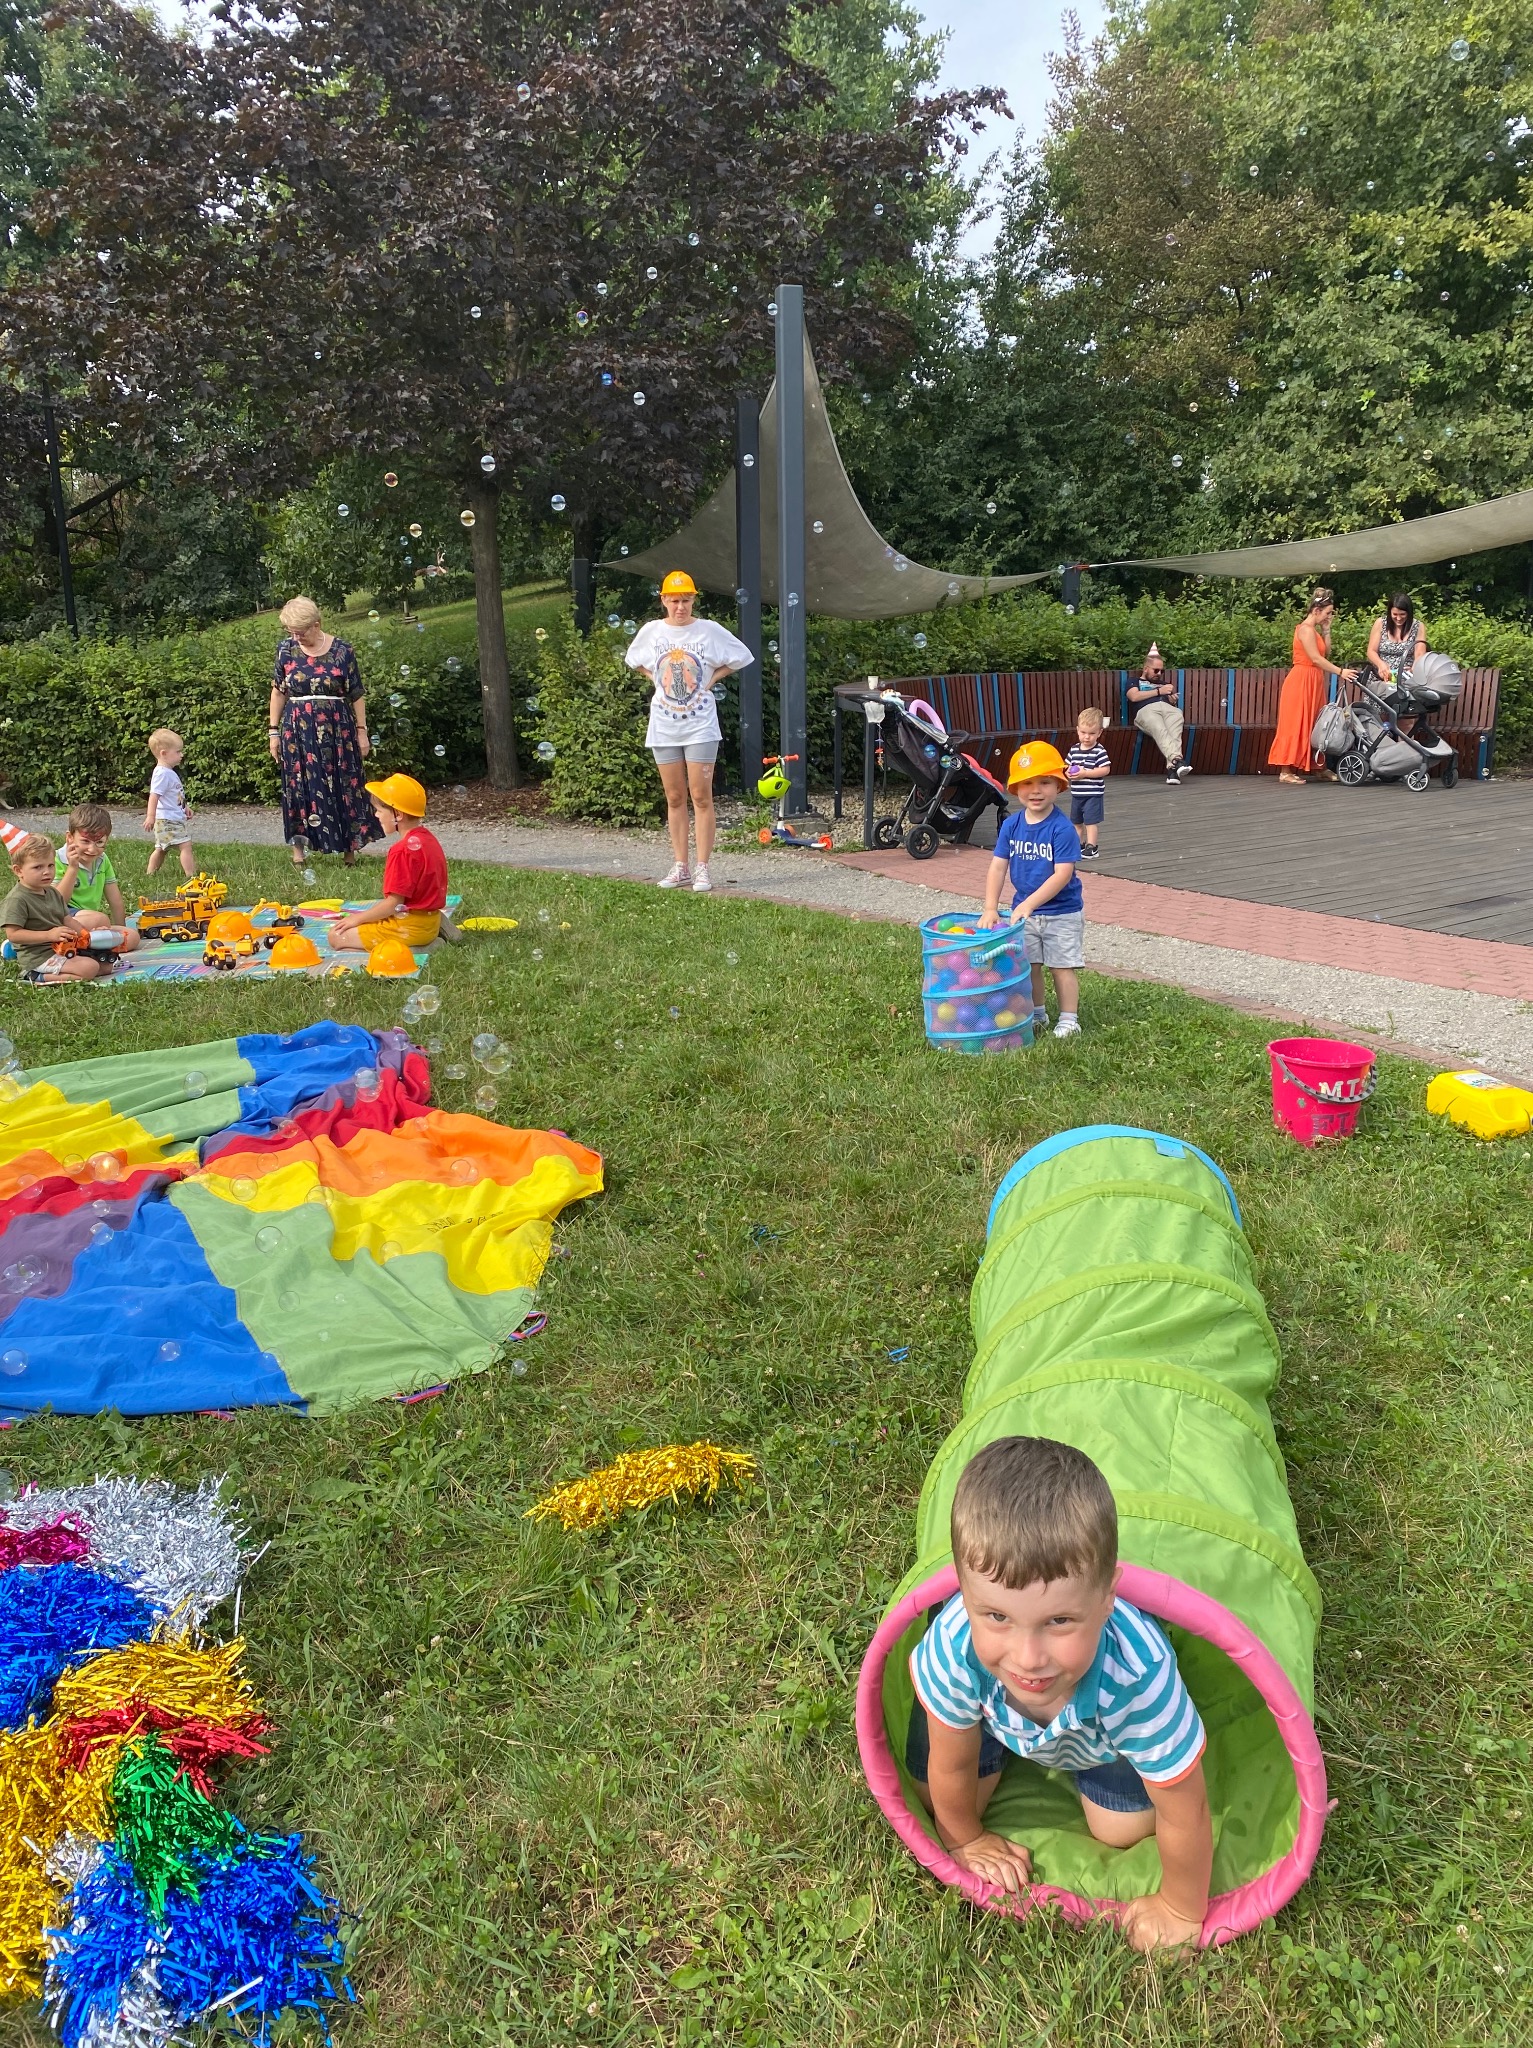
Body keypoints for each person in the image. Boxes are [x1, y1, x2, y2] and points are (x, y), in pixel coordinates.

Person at [905, 1435, 1212, 1952]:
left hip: (1099, 1737)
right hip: (988, 1713)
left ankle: (1062, 1750)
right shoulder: (956, 1642)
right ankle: (996, 1739)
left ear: (1108, 1597)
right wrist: (966, 1839)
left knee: (1123, 1830)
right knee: (935, 1798)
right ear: (961, 1590)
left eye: (1059, 1621)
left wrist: (1183, 1908)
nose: (1028, 1658)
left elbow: (1186, 1809)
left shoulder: (1137, 1674)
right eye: (997, 1616)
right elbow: (951, 1764)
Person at [624, 570, 753, 894]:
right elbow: (633, 659)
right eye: (674, 601)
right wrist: (655, 678)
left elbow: (742, 656)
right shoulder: (652, 631)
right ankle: (680, 865)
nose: (680, 607)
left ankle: (702, 868)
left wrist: (712, 679)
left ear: (693, 599)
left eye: (685, 600)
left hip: (700, 726)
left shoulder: (708, 630)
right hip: (664, 726)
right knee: (674, 796)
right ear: (664, 600)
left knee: (701, 796)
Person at [977, 742, 1084, 1039]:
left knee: (1061, 967)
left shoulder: (1062, 829)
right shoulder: (1011, 826)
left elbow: (1062, 874)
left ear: (1059, 786)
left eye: (1045, 782)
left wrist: (1030, 903)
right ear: (1015, 788)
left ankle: (1069, 1019)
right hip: (1025, 912)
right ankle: (1037, 1012)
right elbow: (998, 867)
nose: (1035, 790)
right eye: (1027, 783)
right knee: (1029, 966)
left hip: (1061, 913)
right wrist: (990, 906)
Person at [269, 595, 380, 870]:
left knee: (344, 783)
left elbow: (356, 693)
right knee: (298, 785)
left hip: (337, 728)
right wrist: (273, 732)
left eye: (300, 631)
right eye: (291, 632)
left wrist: (362, 731)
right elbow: (279, 691)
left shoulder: (342, 650)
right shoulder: (285, 650)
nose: (296, 637)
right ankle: (299, 852)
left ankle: (349, 851)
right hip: (297, 730)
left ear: (316, 624)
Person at [330, 774, 447, 953]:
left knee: (336, 936)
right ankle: (431, 939)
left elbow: (393, 904)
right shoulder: (428, 839)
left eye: (379, 810)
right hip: (431, 922)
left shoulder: (401, 851)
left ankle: (418, 949)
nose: (376, 815)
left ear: (398, 814)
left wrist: (357, 919)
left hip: (410, 929)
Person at [1269, 587, 1357, 785]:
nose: (1329, 616)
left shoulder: (1315, 631)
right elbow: (1316, 659)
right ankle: (1285, 770)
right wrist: (1340, 672)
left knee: (1316, 723)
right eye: (1327, 613)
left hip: (1314, 680)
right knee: (1296, 723)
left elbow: (1326, 652)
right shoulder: (1305, 630)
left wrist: (1326, 630)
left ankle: (1318, 767)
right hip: (1301, 680)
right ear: (1316, 610)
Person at [2, 833, 112, 979]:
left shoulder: (52, 892)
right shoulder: (17, 899)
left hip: (62, 947)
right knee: (89, 968)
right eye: (38, 867)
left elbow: (67, 919)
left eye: (50, 865)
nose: (46, 872)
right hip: (39, 956)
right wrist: (49, 935)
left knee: (106, 966)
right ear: (18, 871)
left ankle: (73, 970)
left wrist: (87, 936)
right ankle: (35, 976)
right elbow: (14, 935)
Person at [55, 803, 138, 952]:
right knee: (99, 919)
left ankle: (84, 948)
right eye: (85, 841)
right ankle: (54, 943)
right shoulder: (56, 860)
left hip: (89, 923)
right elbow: (57, 904)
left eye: (99, 842)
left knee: (131, 937)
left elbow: (115, 901)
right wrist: (72, 868)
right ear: (70, 838)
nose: (92, 849)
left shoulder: (102, 860)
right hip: (61, 919)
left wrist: (120, 931)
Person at [1124, 646, 1192, 784]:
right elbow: (1134, 697)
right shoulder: (1134, 681)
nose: (1159, 673)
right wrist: (1159, 692)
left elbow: (1171, 701)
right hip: (1146, 710)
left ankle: (1173, 771)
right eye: (1156, 670)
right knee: (1160, 728)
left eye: (1162, 671)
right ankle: (1176, 761)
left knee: (1175, 727)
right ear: (1146, 669)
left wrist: (1172, 700)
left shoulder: (1164, 684)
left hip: (1168, 710)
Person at [144, 729, 196, 877]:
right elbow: (154, 796)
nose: (182, 755)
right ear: (164, 753)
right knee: (185, 845)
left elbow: (175, 795)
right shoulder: (162, 773)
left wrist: (185, 807)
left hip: (169, 818)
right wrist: (150, 816)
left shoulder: (167, 772)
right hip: (168, 819)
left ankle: (150, 873)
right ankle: (191, 875)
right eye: (178, 752)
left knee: (161, 848)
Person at [1064, 708, 1111, 860]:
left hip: (1093, 794)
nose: (1086, 737)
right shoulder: (1074, 750)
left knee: (1091, 822)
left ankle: (1092, 847)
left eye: (1091, 733)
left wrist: (1085, 773)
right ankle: (1078, 844)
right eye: (1083, 732)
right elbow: (1067, 767)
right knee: (1076, 822)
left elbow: (1105, 769)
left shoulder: (1099, 751)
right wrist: (1068, 773)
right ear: (1077, 730)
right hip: (1077, 794)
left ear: (1099, 733)